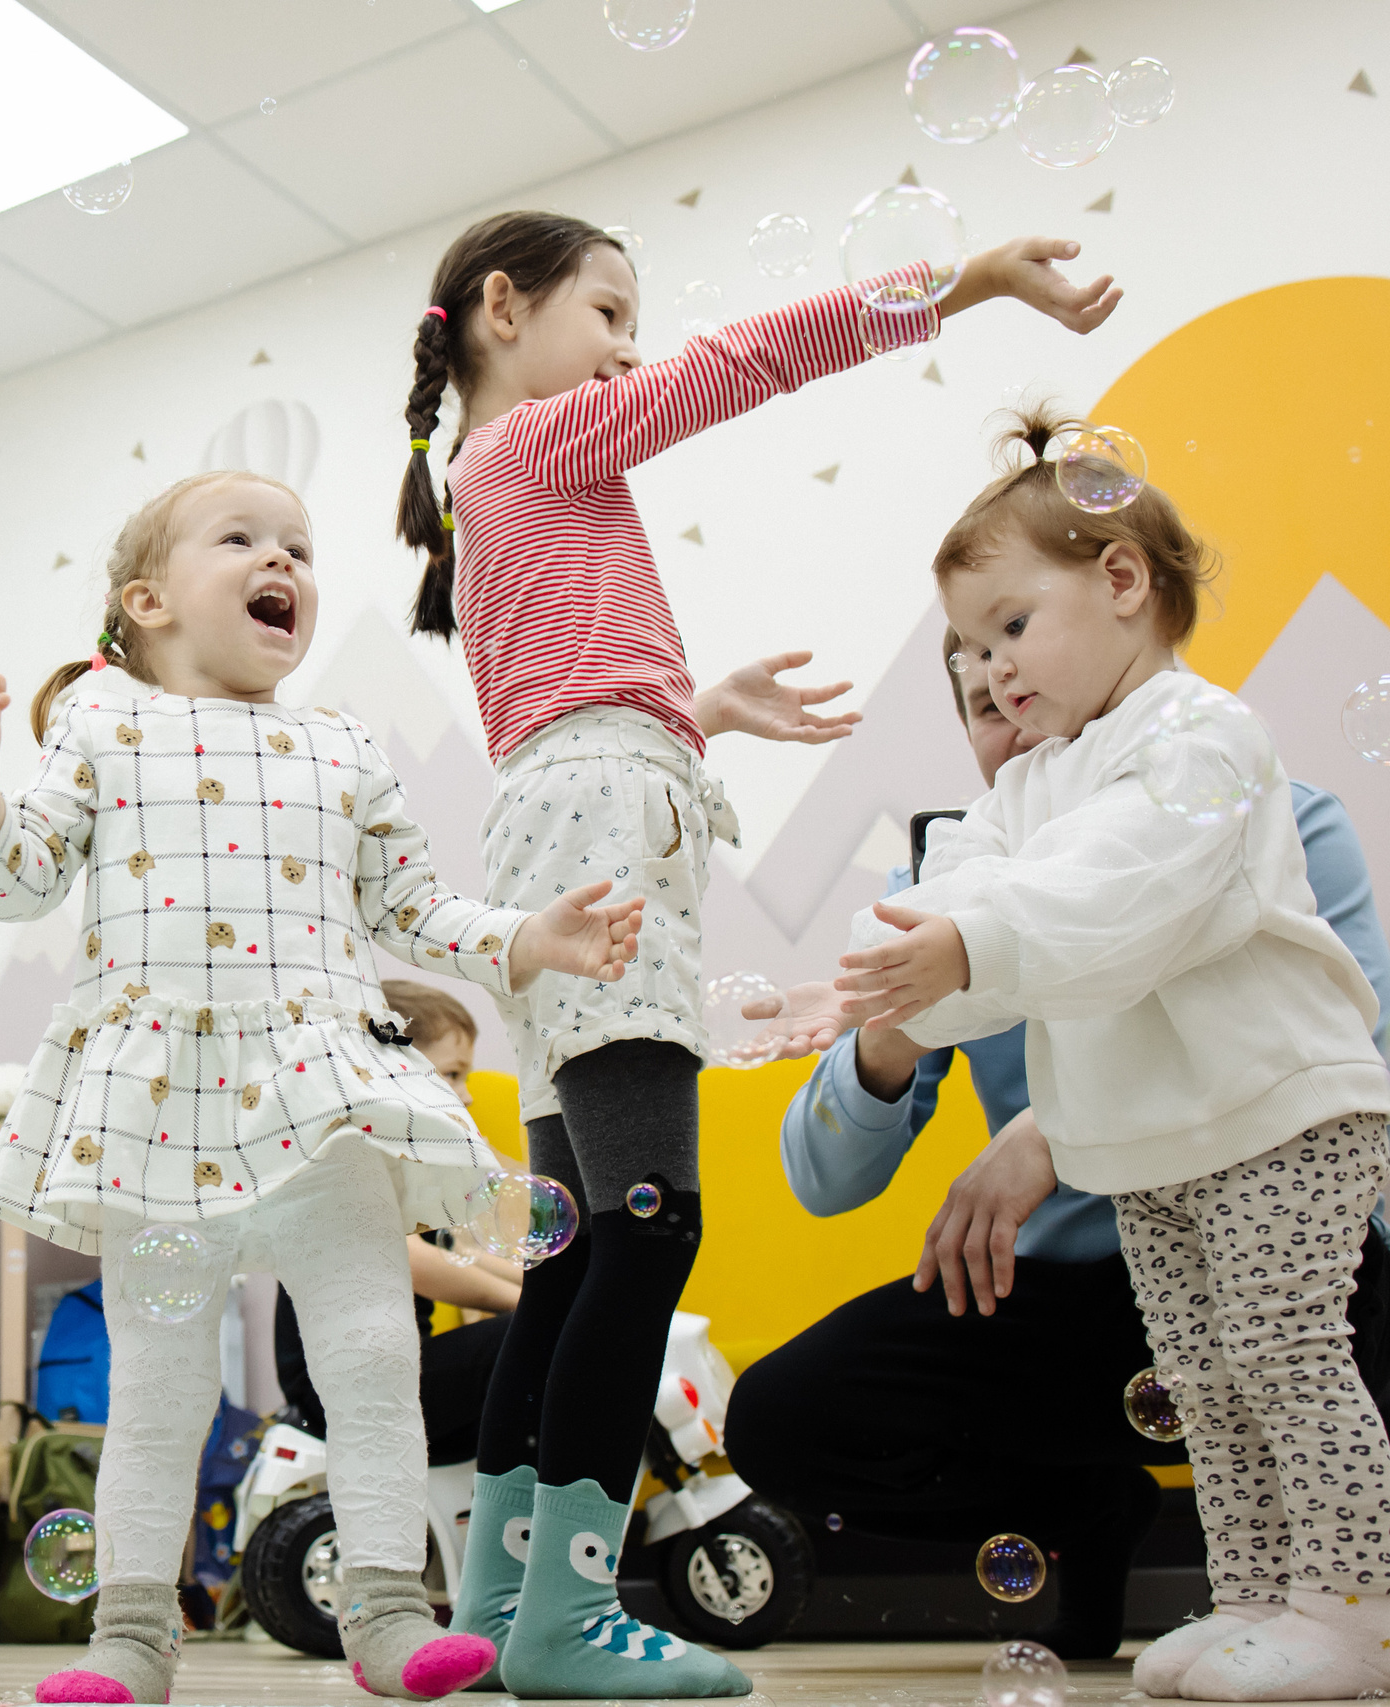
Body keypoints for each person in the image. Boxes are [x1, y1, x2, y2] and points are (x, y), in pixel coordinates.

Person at [391, 206, 1123, 1698]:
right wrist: (966, 277)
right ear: (501, 309)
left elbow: (558, 715)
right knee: (648, 1229)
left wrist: (693, 707)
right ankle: (562, 1617)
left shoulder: (476, 492)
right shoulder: (531, 446)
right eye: (607, 313)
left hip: (565, 827)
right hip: (607, 834)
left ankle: (492, 1607)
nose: (630, 348)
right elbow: (755, 360)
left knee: (579, 1247)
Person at [0, 470, 645, 1706]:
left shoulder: (341, 744)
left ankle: (383, 1611)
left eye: (302, 550)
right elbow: (15, 883)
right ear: (146, 601)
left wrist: (532, 937)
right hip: (161, 1102)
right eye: (245, 541)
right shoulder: (100, 724)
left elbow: (416, 910)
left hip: (323, 1088)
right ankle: (131, 1634)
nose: (286, 564)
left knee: (374, 1351)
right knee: (161, 1377)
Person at [827, 408, 1390, 1701]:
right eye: (968, 648)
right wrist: (867, 978)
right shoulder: (1030, 786)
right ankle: (1252, 1593)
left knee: (1288, 1350)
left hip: (1281, 1112)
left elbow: (1115, 894)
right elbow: (961, 908)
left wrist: (962, 940)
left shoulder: (1204, 737)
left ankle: (1352, 1605)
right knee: (1198, 1372)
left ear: (1124, 583)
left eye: (1011, 628)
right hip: (1157, 1139)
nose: (991, 669)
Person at [273, 980, 522, 1466]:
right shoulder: (344, 1156)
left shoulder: (414, 1168)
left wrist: (548, 1286)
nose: (468, 1096)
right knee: (539, 1336)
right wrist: (530, 1303)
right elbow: (412, 1261)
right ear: (391, 1072)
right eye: (453, 1074)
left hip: (394, 1370)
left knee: (551, 1342)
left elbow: (460, 1254)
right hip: (341, 1387)